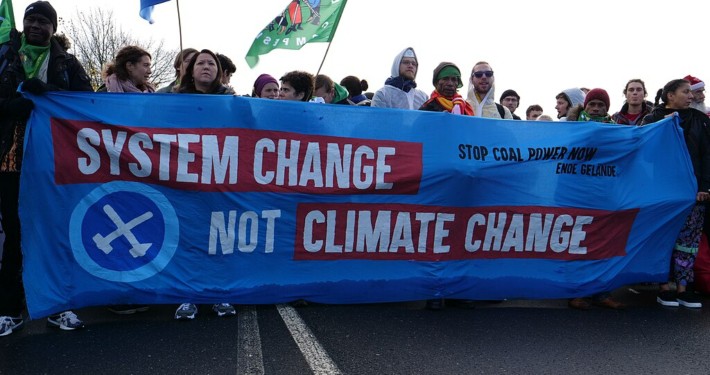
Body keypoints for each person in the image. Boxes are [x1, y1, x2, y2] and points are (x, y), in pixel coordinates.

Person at [0, 1, 93, 336]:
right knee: (16, 232)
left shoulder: (67, 63)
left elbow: (89, 102)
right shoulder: (5, 56)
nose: (35, 25)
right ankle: (10, 308)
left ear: (54, 28)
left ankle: (60, 305)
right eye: (30, 19)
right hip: (12, 159)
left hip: (58, 161)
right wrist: (12, 105)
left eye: (43, 21)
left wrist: (51, 93)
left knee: (58, 231)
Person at [173, 49, 236, 320]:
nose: (206, 67)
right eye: (201, 63)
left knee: (220, 240)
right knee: (189, 239)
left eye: (212, 63)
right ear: (191, 69)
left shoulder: (232, 100)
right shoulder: (174, 100)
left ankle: (220, 294)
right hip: (186, 180)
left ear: (219, 71)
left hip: (221, 180)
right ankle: (188, 296)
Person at [642, 79, 710, 309]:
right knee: (663, 238)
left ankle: (683, 287)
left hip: (693, 193)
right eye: (685, 92)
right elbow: (645, 155)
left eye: (691, 92)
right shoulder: (652, 120)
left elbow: (706, 155)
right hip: (662, 192)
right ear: (670, 95)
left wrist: (704, 187)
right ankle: (664, 287)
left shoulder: (701, 120)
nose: (691, 96)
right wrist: (662, 128)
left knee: (688, 241)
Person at [567, 89, 622, 310]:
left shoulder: (617, 130)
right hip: (577, 194)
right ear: (585, 107)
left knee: (604, 244)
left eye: (601, 105)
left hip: (604, 195)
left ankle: (602, 293)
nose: (597, 109)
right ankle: (577, 293)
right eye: (593, 105)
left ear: (607, 108)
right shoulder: (571, 128)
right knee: (577, 243)